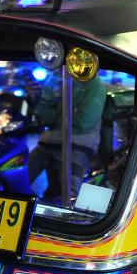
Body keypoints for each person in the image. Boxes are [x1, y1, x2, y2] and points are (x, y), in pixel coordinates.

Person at [27, 70, 107, 202]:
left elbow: (84, 121)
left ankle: (70, 215)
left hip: (79, 143)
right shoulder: (57, 77)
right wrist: (37, 99)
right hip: (51, 140)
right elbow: (44, 116)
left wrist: (57, 116)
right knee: (22, 171)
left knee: (71, 191)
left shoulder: (94, 84)